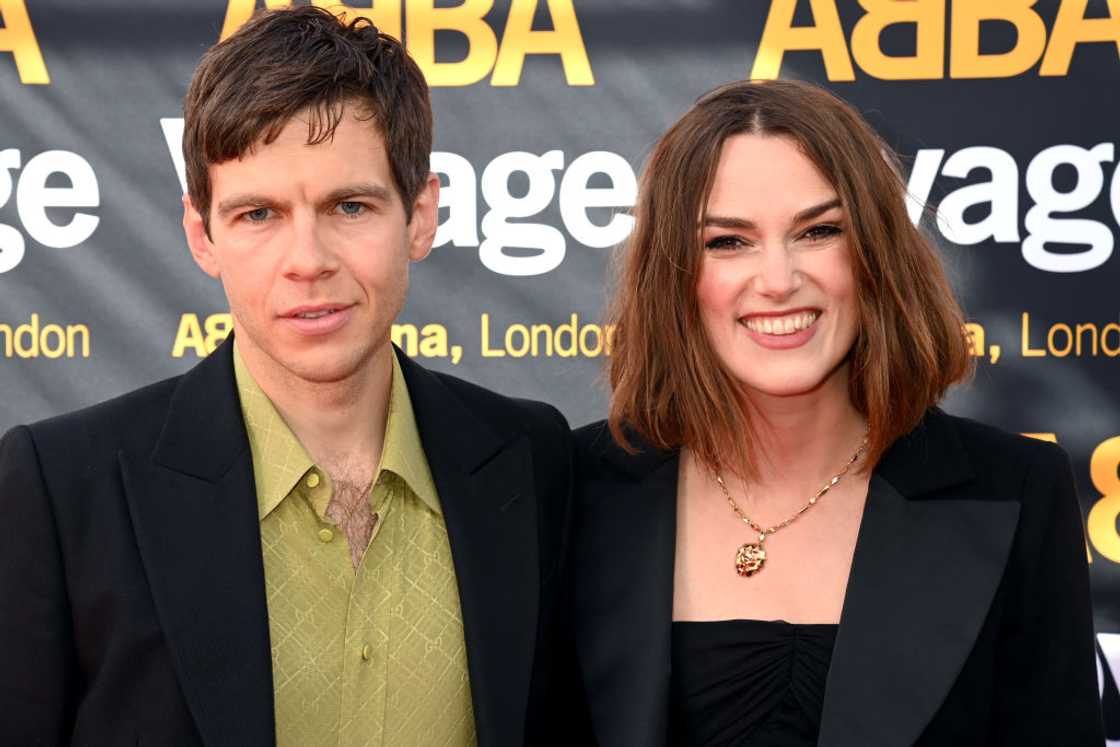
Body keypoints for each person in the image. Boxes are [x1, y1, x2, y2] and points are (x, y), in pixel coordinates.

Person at [0, 8, 578, 746]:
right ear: (201, 234)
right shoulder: (63, 490)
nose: (308, 259)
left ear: (422, 216)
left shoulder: (531, 460)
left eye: (349, 205)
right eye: (258, 214)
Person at [570, 79, 1103, 746]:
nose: (777, 278)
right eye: (728, 241)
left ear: (875, 253)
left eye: (819, 231)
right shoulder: (575, 491)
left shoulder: (1017, 492)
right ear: (674, 273)